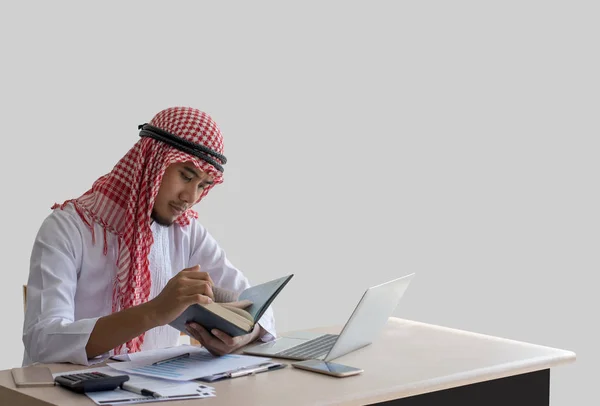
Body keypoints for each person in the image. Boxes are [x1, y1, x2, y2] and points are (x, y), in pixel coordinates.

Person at [22, 107, 276, 366]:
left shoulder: (186, 232)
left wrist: (246, 334)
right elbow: (44, 341)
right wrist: (155, 311)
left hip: (160, 391)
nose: (191, 197)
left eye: (202, 185)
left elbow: (255, 302)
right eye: (186, 176)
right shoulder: (69, 227)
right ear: (151, 161)